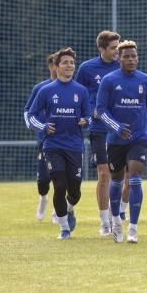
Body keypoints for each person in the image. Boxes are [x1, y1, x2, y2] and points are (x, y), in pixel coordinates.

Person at [97, 40, 147, 244]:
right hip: (115, 140)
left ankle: (133, 228)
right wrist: (117, 127)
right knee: (115, 180)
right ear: (118, 58)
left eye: (134, 56)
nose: (131, 59)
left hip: (138, 138)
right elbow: (101, 111)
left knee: (135, 178)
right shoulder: (109, 80)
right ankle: (115, 220)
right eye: (127, 56)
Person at [27, 48, 91, 240]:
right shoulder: (46, 90)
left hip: (74, 146)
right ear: (56, 67)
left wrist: (85, 121)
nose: (69, 66)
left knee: (75, 191)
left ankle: (70, 209)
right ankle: (63, 228)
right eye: (65, 62)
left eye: (72, 62)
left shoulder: (81, 91)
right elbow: (31, 115)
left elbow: (89, 116)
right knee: (59, 184)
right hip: (53, 146)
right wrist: (44, 127)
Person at [76, 30, 121, 236]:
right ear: (102, 49)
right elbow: (77, 95)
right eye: (113, 48)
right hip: (99, 129)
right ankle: (104, 222)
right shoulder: (87, 68)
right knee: (104, 174)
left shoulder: (124, 66)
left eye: (118, 47)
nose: (117, 52)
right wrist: (88, 113)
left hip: (120, 130)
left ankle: (117, 216)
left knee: (118, 176)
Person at [23, 52, 57, 222]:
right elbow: (28, 111)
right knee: (44, 177)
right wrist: (33, 124)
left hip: (66, 140)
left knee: (63, 177)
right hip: (45, 139)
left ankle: (58, 210)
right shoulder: (41, 88)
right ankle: (43, 198)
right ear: (51, 66)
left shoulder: (74, 87)